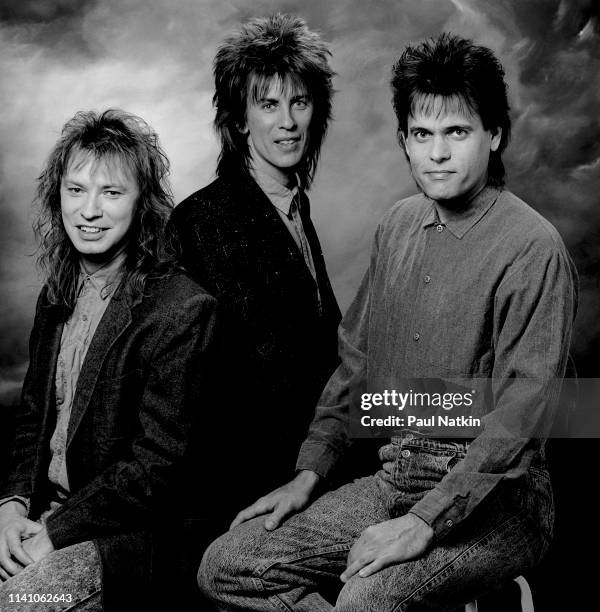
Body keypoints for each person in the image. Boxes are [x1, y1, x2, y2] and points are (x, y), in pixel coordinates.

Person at [198, 33, 578, 611]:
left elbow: (522, 416)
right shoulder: (396, 225)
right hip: (397, 474)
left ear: (494, 135)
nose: (438, 153)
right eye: (422, 135)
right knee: (226, 565)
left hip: (500, 503)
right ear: (404, 140)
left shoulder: (534, 248)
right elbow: (355, 361)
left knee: (366, 600)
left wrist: (424, 522)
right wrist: (310, 472)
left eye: (457, 132)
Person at [0, 109, 219, 611]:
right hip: (40, 518)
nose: (89, 210)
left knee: (19, 604)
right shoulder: (57, 294)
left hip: (126, 537)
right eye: (76, 190)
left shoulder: (182, 309)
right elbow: (32, 420)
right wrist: (10, 509)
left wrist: (53, 533)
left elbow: (156, 468)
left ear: (143, 203)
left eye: (112, 193)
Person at [170, 13, 343, 512]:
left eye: (299, 102)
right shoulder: (203, 219)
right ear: (241, 118)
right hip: (258, 473)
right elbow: (244, 379)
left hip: (316, 441)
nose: (287, 122)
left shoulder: (291, 204)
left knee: (481, 414)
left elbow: (317, 340)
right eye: (268, 104)